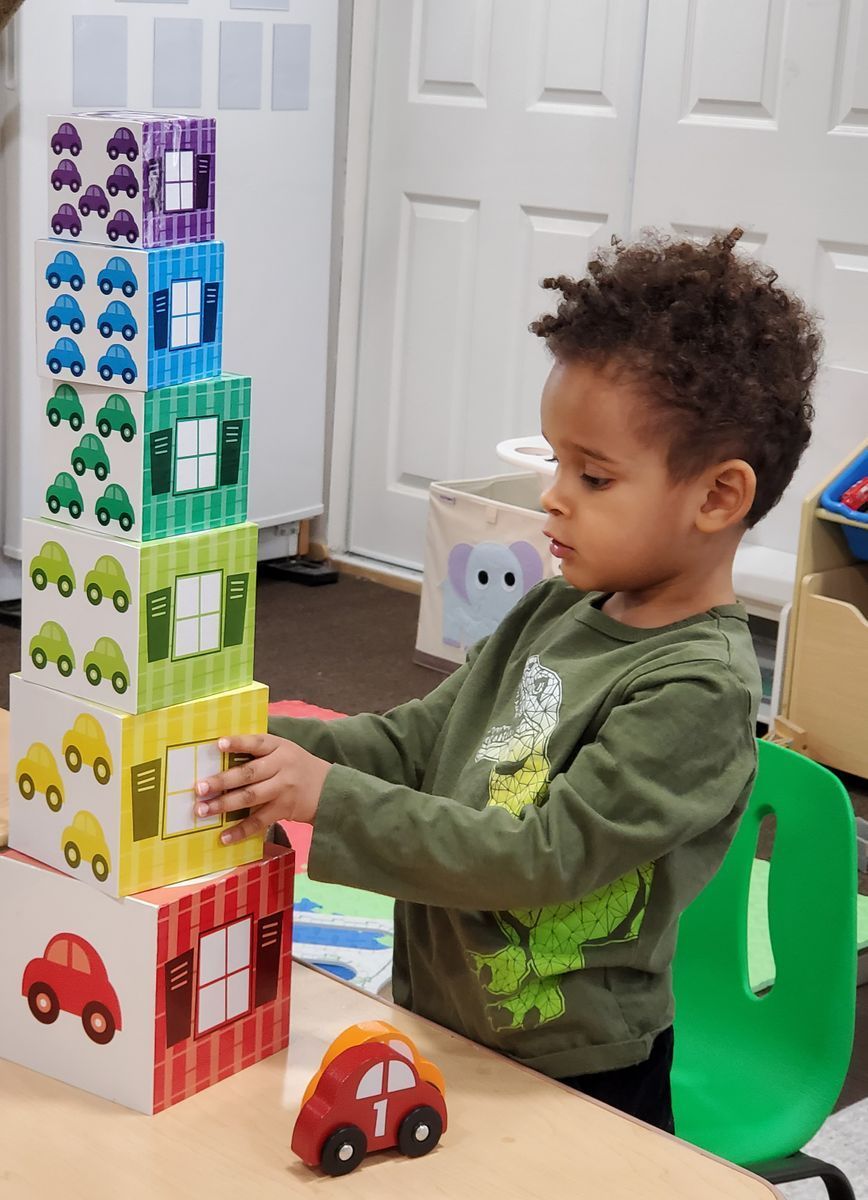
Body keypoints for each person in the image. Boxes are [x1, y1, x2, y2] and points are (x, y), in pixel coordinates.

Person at [194, 228, 821, 1133]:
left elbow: (544, 860)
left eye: (595, 477)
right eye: (556, 463)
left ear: (718, 498)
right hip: (447, 1016)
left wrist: (326, 799)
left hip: (575, 1066)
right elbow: (421, 743)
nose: (554, 497)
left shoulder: (698, 689)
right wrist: (278, 748)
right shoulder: (558, 608)